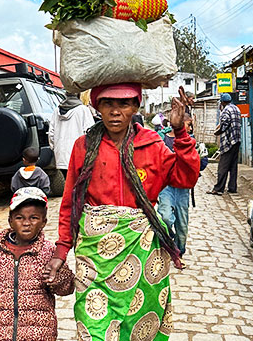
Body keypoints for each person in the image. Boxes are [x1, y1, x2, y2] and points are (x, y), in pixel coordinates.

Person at [42, 83, 199, 340]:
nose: (116, 111)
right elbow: (71, 201)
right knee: (93, 327)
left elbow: (186, 177)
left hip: (143, 251)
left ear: (136, 107)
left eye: (124, 104)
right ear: (96, 107)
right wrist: (62, 249)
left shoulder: (152, 145)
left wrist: (181, 132)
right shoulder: (83, 147)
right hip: (96, 255)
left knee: (138, 325)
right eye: (108, 104)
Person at [0, 187, 74, 341]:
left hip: (38, 333)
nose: (26, 223)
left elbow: (67, 288)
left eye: (33, 218)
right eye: (19, 218)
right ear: (10, 221)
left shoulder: (50, 253)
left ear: (43, 222)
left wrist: (56, 277)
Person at [157, 113, 196, 267]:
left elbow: (201, 160)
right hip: (166, 186)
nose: (190, 128)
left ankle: (179, 253)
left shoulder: (190, 141)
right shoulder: (161, 138)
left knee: (182, 224)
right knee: (165, 217)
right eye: (188, 124)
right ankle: (170, 242)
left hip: (183, 188)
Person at [49, 92, 95, 178]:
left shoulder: (56, 111)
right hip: (78, 155)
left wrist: (55, 148)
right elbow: (90, 133)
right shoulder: (83, 110)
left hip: (61, 156)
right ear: (78, 95)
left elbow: (51, 133)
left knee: (69, 182)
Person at [207, 93, 242, 195]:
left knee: (223, 166)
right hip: (236, 140)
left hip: (228, 142)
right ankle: (232, 187)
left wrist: (217, 132)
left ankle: (218, 188)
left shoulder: (226, 110)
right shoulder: (236, 109)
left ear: (222, 102)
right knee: (233, 166)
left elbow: (224, 125)